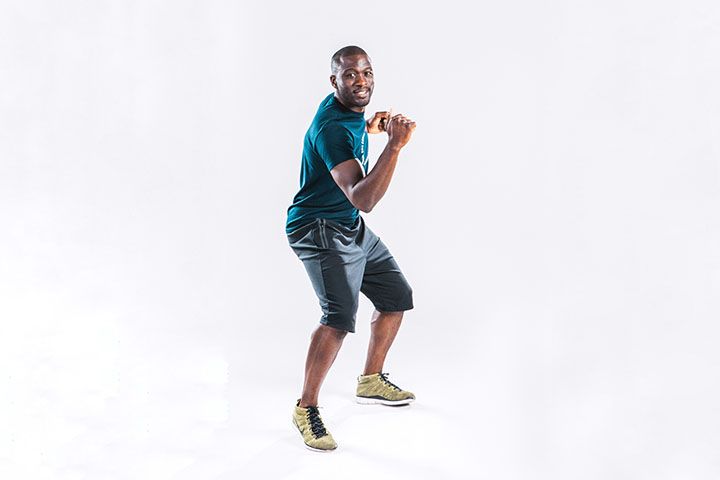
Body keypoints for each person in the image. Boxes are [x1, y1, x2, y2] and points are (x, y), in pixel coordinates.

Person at [286, 45, 417, 452]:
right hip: (317, 228)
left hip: (347, 225)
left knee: (396, 296)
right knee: (338, 318)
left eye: (367, 73)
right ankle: (306, 408)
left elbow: (352, 131)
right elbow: (363, 198)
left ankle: (370, 380)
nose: (361, 82)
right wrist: (393, 146)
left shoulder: (347, 112)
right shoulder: (331, 128)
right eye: (350, 75)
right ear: (334, 81)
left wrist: (371, 129)